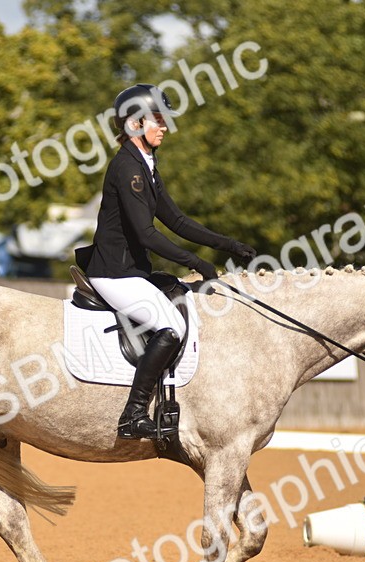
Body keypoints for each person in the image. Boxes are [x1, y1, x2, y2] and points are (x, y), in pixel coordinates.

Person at [79, 83, 257, 439]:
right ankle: (132, 414)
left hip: (132, 271)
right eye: (156, 120)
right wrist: (198, 262)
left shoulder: (146, 164)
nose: (164, 127)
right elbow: (147, 235)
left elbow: (176, 221)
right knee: (169, 327)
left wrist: (228, 245)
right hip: (113, 273)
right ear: (134, 124)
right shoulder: (127, 168)